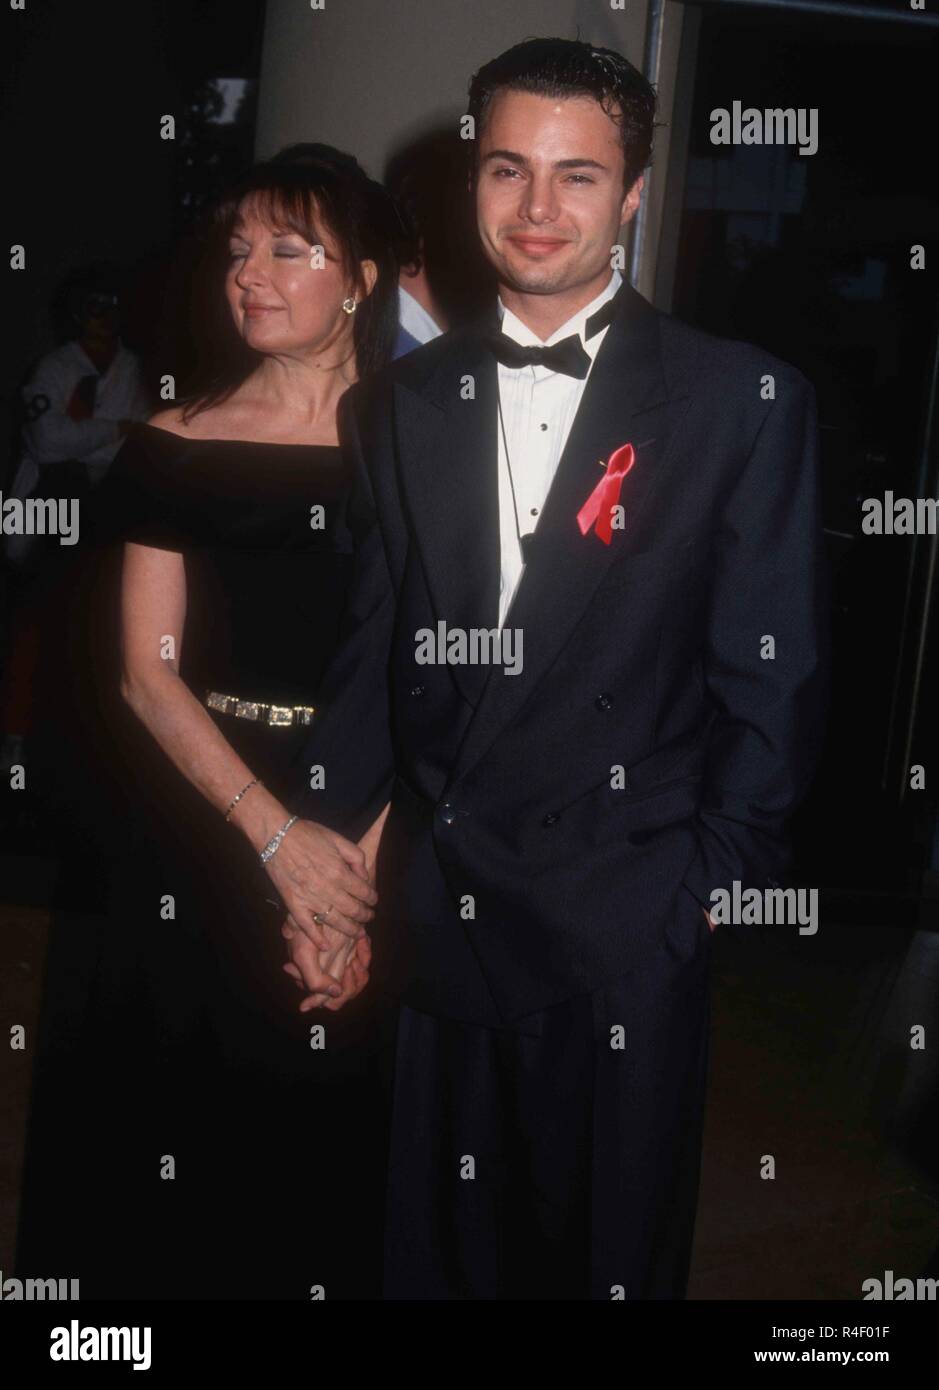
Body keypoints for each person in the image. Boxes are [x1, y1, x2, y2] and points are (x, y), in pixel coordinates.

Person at [269, 38, 830, 1299]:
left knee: (597, 1265)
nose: (537, 209)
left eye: (578, 177)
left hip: (625, 917)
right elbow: (379, 656)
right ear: (470, 174)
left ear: (634, 193)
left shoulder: (742, 400)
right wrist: (318, 861)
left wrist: (701, 900)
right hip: (442, 905)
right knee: (425, 1257)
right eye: (509, 168)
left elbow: (772, 682)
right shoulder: (400, 401)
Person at [15, 148, 400, 1299]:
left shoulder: (423, 446)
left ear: (364, 280)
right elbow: (146, 673)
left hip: (363, 813)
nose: (252, 273)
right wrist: (277, 840)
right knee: (153, 1127)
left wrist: (349, 884)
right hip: (192, 813)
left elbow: (441, 679)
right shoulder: (171, 442)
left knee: (311, 1139)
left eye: (290, 247)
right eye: (238, 248)